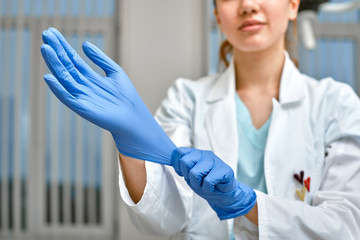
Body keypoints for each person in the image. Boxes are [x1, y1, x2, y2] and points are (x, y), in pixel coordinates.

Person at [40, 0, 360, 239]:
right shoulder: (187, 98)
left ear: (293, 5)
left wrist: (246, 203)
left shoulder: (336, 104)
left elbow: (347, 225)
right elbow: (163, 218)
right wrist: (130, 145)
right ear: (218, 14)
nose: (248, 5)